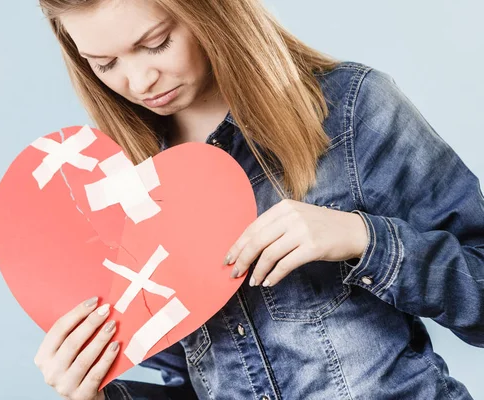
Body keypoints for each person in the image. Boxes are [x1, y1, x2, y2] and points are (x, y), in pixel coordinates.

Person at [32, 0, 484, 399]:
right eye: (105, 63)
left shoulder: (350, 109)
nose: (140, 79)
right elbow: (194, 383)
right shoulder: (127, 188)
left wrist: (364, 239)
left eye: (157, 43)